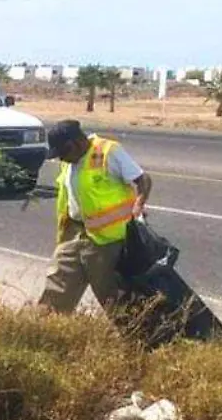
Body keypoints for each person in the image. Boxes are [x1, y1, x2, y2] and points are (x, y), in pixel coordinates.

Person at [38, 120, 152, 314]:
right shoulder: (70, 162)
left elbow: (143, 179)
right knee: (56, 289)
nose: (61, 160)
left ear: (76, 143)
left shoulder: (109, 151)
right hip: (75, 235)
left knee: (113, 298)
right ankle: (44, 332)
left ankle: (137, 338)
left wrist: (138, 205)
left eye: (63, 154)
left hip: (108, 242)